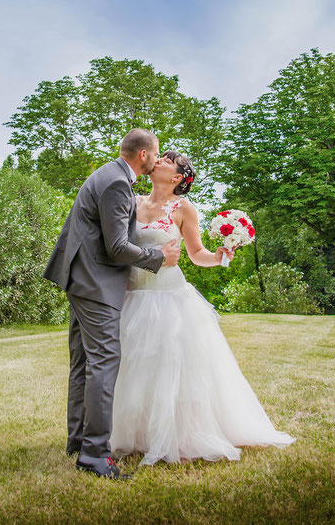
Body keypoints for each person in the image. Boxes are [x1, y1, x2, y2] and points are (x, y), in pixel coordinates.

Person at [110, 151, 295, 466]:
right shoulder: (133, 200)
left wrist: (222, 255)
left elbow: (196, 254)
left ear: (177, 177)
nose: (160, 160)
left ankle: (177, 434)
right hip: (133, 296)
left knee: (169, 365)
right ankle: (134, 433)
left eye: (168, 160)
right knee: (131, 367)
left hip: (169, 297)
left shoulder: (184, 209)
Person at [43, 128, 181, 479]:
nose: (158, 158)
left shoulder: (108, 173)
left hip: (80, 278)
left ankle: (78, 440)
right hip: (95, 282)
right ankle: (94, 454)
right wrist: (157, 255)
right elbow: (116, 247)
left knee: (84, 363)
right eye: (157, 153)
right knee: (104, 362)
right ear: (144, 156)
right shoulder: (119, 185)